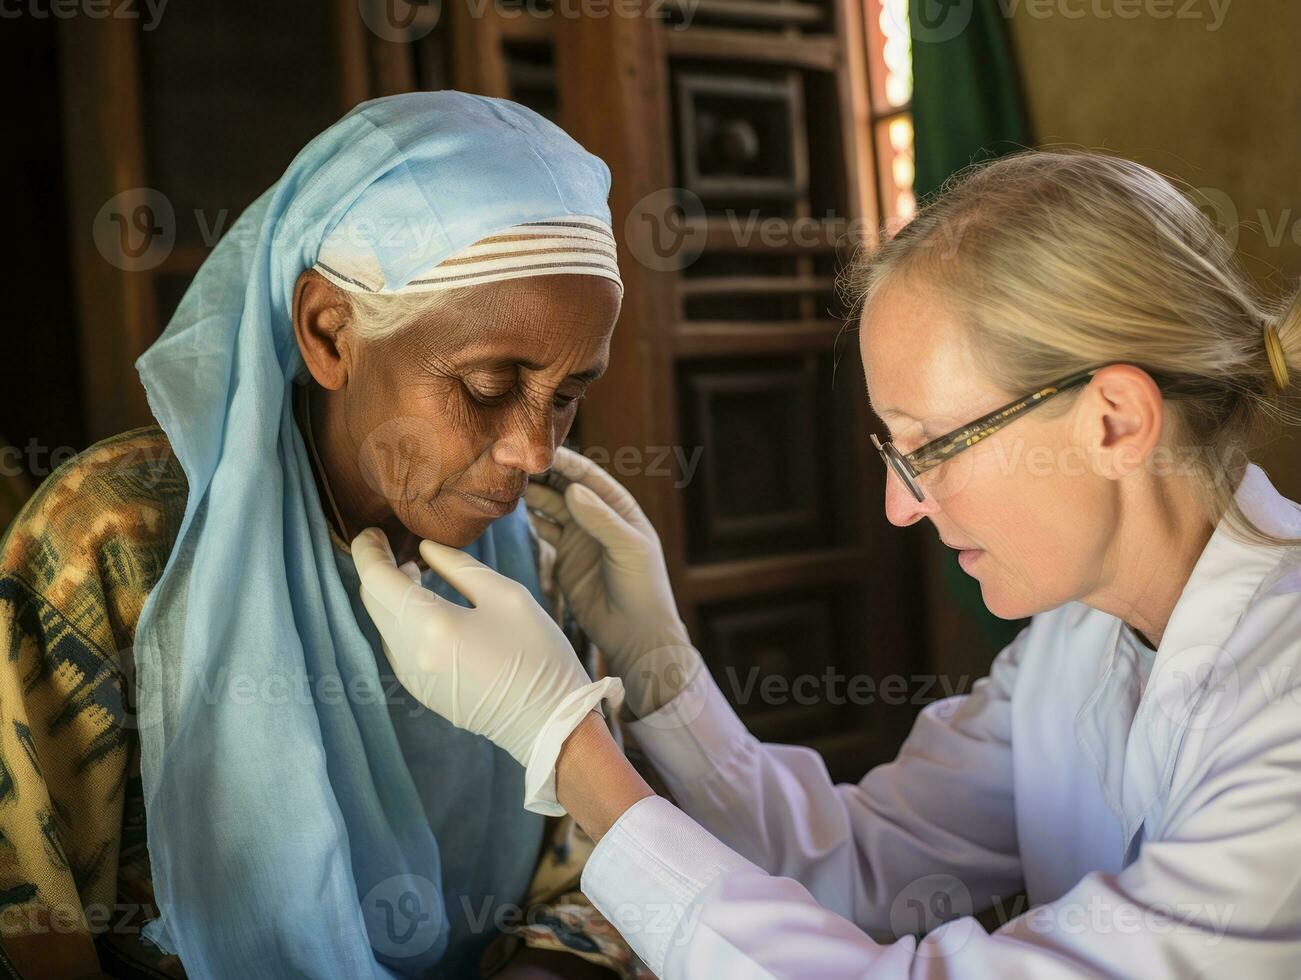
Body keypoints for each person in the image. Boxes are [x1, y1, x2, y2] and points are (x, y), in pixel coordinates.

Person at [354, 150, 1301, 977]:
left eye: (930, 447)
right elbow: (862, 863)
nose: (901, 504)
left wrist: (565, 748)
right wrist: (658, 670)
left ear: (1113, 422)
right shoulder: (1079, 637)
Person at [0, 91, 643, 979]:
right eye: (490, 385)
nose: (533, 449)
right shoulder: (120, 544)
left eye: (568, 395)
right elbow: (33, 923)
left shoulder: (533, 550)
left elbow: (612, 869)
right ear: (328, 332)